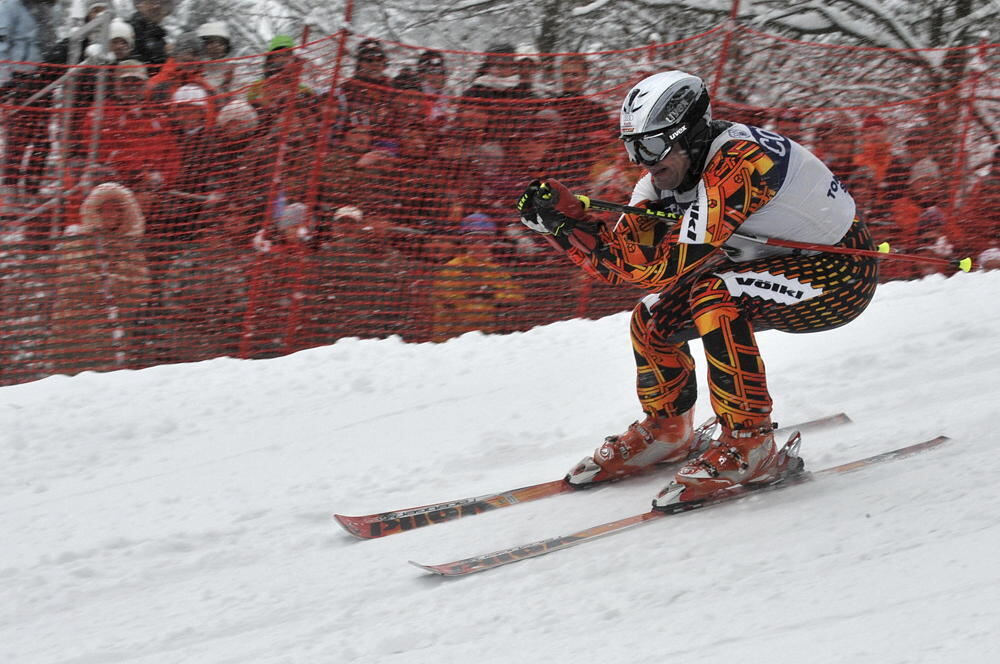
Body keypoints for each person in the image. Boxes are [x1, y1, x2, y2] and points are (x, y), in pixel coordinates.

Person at [516, 70, 879, 507]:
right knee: (651, 317)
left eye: (651, 146)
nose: (643, 162)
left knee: (714, 295)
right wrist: (564, 223)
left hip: (841, 275)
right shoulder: (661, 180)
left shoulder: (739, 163)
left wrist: (572, 229)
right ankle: (668, 429)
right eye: (633, 148)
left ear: (689, 134)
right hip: (777, 266)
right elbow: (623, 264)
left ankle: (751, 444)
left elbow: (660, 268)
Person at [127, 0, 172, 73]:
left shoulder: (158, 33)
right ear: (139, 5)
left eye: (160, 3)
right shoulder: (131, 29)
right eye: (151, 2)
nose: (157, 6)